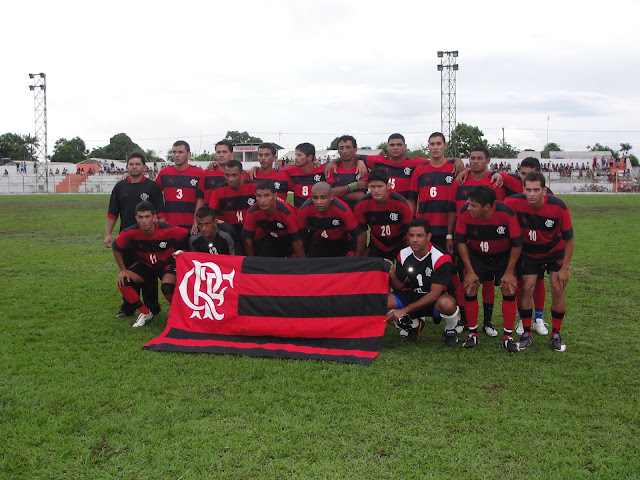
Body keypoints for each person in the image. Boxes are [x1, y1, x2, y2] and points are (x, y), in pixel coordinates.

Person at [504, 172, 574, 352]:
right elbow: (496, 211)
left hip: (554, 251)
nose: (532, 194)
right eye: (528, 190)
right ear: (523, 190)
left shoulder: (558, 206)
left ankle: (556, 334)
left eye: (536, 190)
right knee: (527, 287)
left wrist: (565, 268)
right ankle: (527, 333)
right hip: (529, 253)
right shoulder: (512, 202)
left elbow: (569, 239)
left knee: (557, 288)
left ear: (544, 190)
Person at [455, 186, 522, 352]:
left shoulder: (506, 213)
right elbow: (461, 242)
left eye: (473, 205)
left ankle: (508, 336)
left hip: (502, 256)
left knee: (508, 287)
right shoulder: (464, 212)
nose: (468, 208)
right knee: (470, 287)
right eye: (468, 203)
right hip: (476, 255)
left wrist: (509, 272)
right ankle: (473, 334)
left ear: (487, 207)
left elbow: (517, 244)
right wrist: (470, 271)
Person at [105, 152, 165, 318]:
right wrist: (108, 234)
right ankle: (128, 306)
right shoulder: (120, 187)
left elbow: (160, 213)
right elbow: (112, 213)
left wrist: (161, 234)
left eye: (137, 164)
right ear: (127, 167)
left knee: (149, 273)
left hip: (148, 239)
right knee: (127, 272)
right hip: (127, 239)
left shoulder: (152, 187)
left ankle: (152, 307)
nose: (134, 167)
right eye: (131, 164)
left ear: (144, 167)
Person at [112, 201, 189, 328]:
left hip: (167, 264)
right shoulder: (130, 232)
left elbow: (188, 235)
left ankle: (182, 314)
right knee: (123, 282)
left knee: (167, 287)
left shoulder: (168, 230)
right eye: (140, 217)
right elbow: (116, 247)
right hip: (146, 264)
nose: (144, 221)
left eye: (147, 216)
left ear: (154, 217)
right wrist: (123, 270)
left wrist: (184, 254)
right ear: (136, 218)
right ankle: (146, 312)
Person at [385, 218, 460, 346]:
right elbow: (399, 287)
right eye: (411, 235)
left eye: (419, 236)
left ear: (428, 237)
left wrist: (405, 310)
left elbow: (434, 294)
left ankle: (450, 329)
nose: (414, 240)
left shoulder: (441, 257)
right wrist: (392, 273)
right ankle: (413, 324)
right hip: (413, 294)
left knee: (447, 304)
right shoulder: (403, 254)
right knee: (382, 301)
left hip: (436, 298)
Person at [408, 132, 458, 253]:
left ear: (445, 145)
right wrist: (412, 223)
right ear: (428, 146)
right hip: (424, 228)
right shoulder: (419, 170)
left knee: (446, 261)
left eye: (439, 144)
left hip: (447, 228)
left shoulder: (455, 169)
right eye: (432, 144)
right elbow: (412, 199)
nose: (435, 147)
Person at [353, 168, 413, 260]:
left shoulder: (401, 203)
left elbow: (409, 231)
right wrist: (360, 256)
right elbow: (361, 232)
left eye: (380, 186)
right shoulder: (362, 205)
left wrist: (408, 255)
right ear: (368, 186)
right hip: (377, 244)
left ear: (388, 186)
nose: (376, 190)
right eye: (373, 186)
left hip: (400, 242)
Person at [297, 181, 365, 257]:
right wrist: (302, 260)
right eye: (315, 198)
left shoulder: (342, 209)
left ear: (331, 197)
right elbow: (298, 236)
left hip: (342, 242)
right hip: (319, 242)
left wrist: (358, 258)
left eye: (323, 197)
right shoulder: (304, 209)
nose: (319, 202)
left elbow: (360, 234)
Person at [241, 180, 305, 257]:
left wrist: (301, 263)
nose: (262, 200)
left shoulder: (286, 213)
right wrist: (251, 261)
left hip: (290, 240)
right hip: (271, 239)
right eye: (259, 196)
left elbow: (297, 241)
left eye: (267, 195)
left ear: (275, 196)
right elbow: (247, 238)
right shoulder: (252, 212)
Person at [207, 159, 257, 252]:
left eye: (234, 175)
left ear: (242, 174)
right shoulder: (219, 190)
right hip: (231, 236)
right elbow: (210, 214)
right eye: (227, 175)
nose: (230, 179)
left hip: (254, 235)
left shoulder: (255, 187)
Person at [155, 140, 204, 232]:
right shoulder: (164, 173)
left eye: (180, 152)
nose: (176, 155)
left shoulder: (199, 173)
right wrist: (161, 217)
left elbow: (201, 199)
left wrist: (196, 220)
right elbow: (154, 194)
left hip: (191, 226)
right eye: (174, 152)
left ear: (188, 154)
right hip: (169, 226)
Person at [325, 135, 368, 210]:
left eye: (348, 147)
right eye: (341, 148)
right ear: (338, 151)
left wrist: (337, 193)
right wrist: (354, 185)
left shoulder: (362, 169)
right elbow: (329, 192)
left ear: (355, 149)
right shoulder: (332, 169)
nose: (344, 151)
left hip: (356, 212)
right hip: (336, 212)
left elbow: (360, 195)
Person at [281, 142, 326, 208]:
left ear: (310, 157)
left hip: (318, 211)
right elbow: (275, 173)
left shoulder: (322, 170)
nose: (296, 158)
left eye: (299, 155)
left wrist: (334, 161)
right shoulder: (291, 170)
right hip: (299, 211)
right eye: (296, 155)